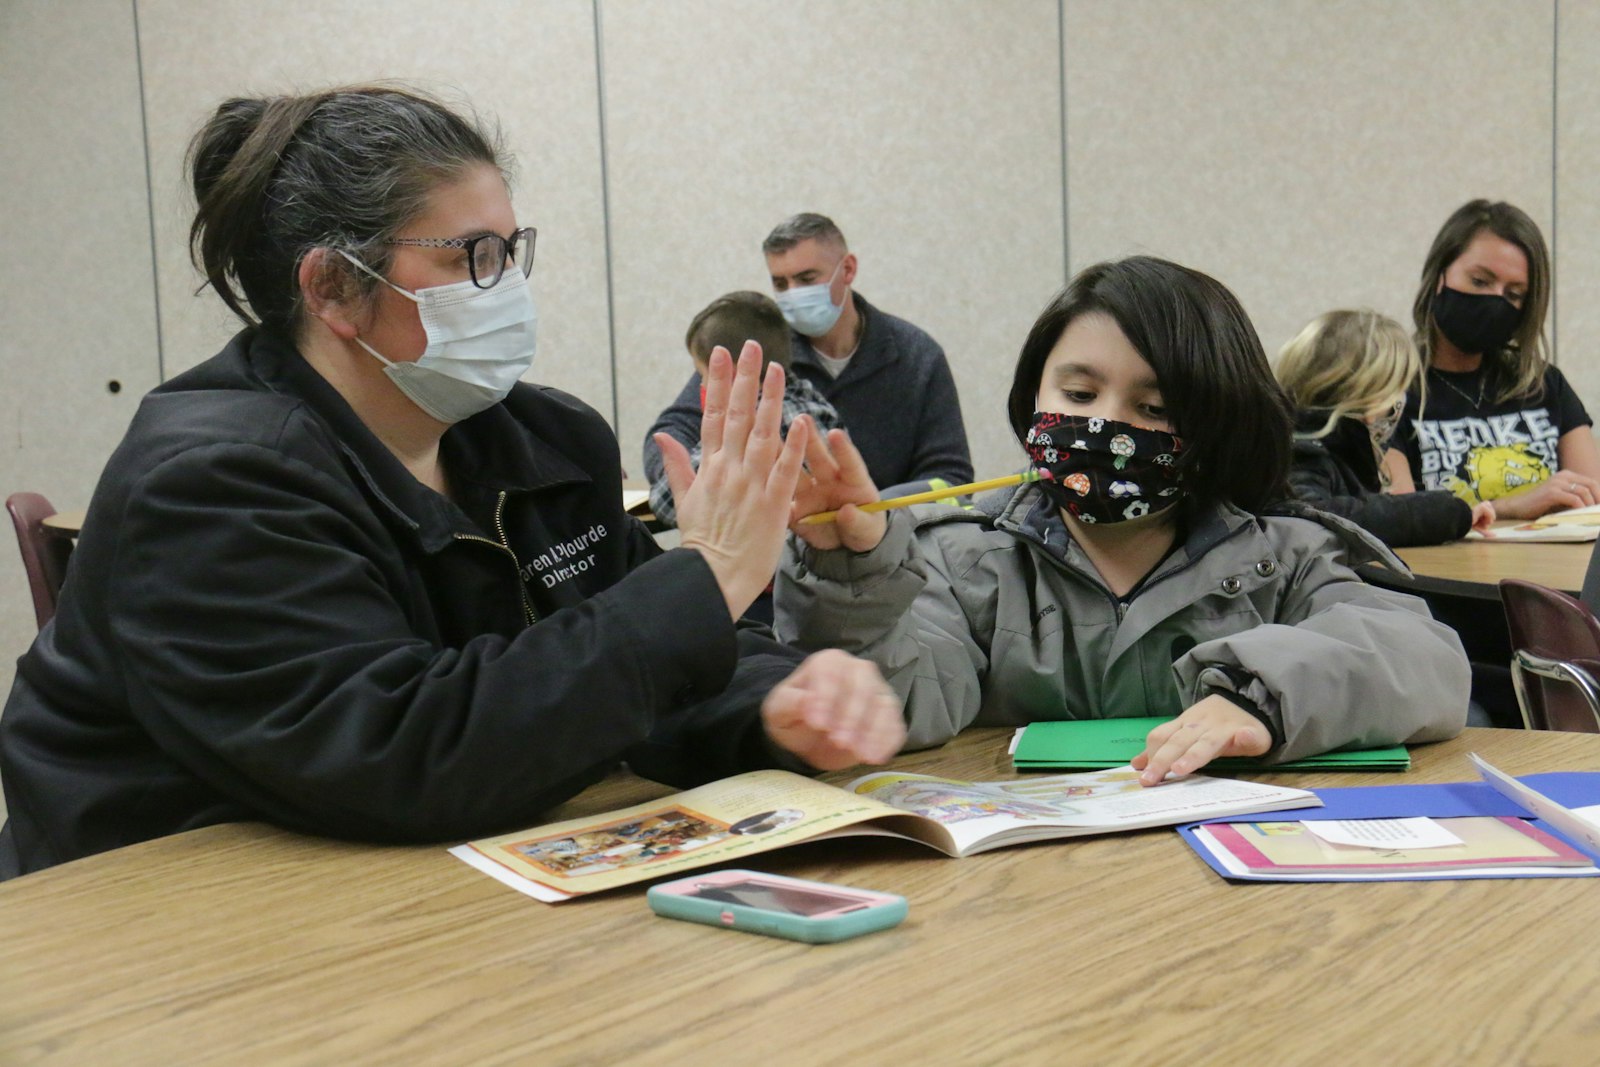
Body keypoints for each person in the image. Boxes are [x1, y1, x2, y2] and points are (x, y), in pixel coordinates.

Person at [0, 86, 904, 879]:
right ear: (333, 288)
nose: (504, 286)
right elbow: (407, 750)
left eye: (511, 252)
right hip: (156, 921)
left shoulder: (541, 440)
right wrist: (706, 575)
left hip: (402, 893)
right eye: (472, 256)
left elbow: (626, 670)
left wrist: (775, 702)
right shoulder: (210, 483)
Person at [775, 256, 1469, 785]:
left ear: (1216, 423)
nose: (1106, 422)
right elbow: (909, 697)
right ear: (1034, 395)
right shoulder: (963, 560)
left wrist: (1262, 699)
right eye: (1078, 391)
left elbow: (1425, 660)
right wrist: (852, 578)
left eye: (1156, 408)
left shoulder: (1285, 556)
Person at [644, 212, 973, 501]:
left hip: (896, 548)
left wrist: (867, 509)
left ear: (847, 269)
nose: (792, 294)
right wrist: (691, 482)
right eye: (780, 283)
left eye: (805, 279)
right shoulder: (758, 347)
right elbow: (672, 430)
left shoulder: (916, 355)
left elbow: (950, 477)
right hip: (781, 548)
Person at [1384, 199, 1600, 519]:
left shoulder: (1542, 383)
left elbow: (1591, 503)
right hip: (1445, 568)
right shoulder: (1388, 389)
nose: (1494, 300)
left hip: (1549, 567)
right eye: (1480, 281)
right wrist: (1506, 509)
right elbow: (1399, 520)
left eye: (1513, 294)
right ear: (1439, 275)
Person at [1278, 309, 1494, 546]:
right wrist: (1446, 512)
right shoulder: (1301, 450)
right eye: (1396, 388)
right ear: (1371, 395)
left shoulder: (1340, 447)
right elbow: (1311, 518)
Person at [646, 291, 842, 528]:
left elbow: (667, 504)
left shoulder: (748, 430)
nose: (700, 386)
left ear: (735, 374)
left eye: (703, 375)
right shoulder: (812, 402)